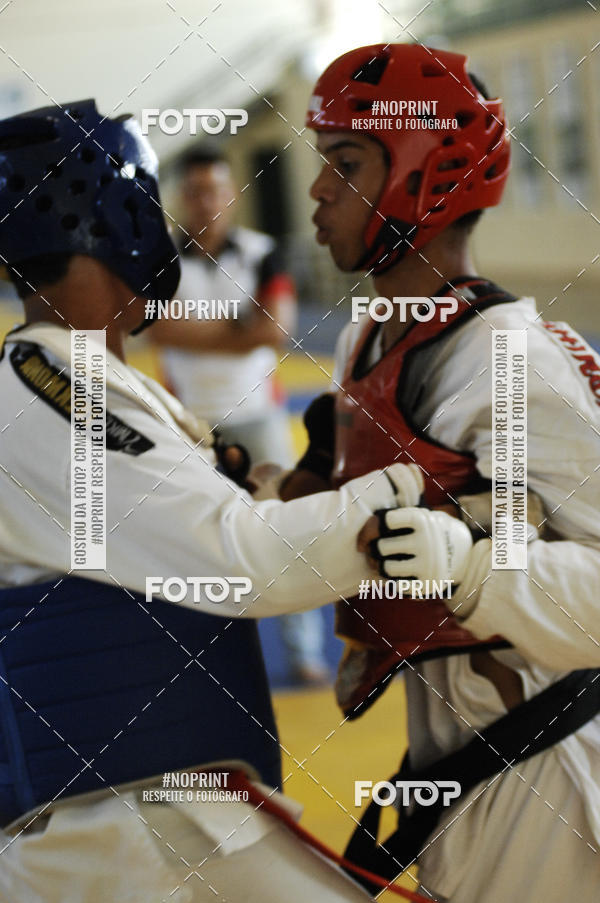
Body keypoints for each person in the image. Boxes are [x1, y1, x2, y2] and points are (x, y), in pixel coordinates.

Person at [0, 99, 472, 902]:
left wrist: (278, 483)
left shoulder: (79, 379)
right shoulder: (44, 386)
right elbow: (245, 559)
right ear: (115, 219)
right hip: (120, 831)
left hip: (162, 809)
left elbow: (187, 518)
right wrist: (416, 481)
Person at [287, 43, 600, 902]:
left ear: (421, 175)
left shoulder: (505, 358)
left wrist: (467, 569)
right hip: (455, 746)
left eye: (343, 164)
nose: (316, 191)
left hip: (547, 768)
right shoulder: (376, 336)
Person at [152, 146, 329, 686]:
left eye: (216, 191)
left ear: (231, 196)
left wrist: (195, 329)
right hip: (188, 425)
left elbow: (273, 330)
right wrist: (236, 326)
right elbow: (155, 329)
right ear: (182, 198)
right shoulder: (160, 263)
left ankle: (304, 653)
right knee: (193, 542)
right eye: (196, 192)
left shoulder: (261, 253)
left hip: (259, 416)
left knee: (284, 532)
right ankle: (208, 662)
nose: (207, 202)